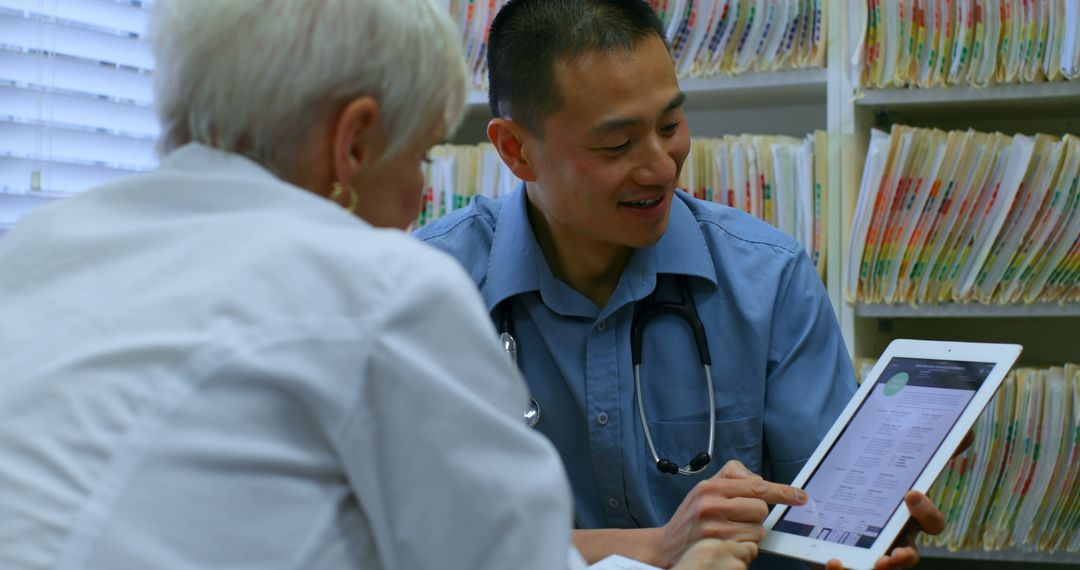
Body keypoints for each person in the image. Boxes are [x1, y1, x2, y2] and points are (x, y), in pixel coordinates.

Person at [0, 1, 757, 569]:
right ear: (354, 142)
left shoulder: (39, 247)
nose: (420, 201)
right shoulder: (382, 289)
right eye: (424, 154)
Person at [415, 1, 945, 568]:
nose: (662, 167)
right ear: (515, 150)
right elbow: (417, 538)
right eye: (617, 145)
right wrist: (660, 546)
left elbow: (817, 519)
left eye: (670, 126)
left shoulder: (768, 278)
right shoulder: (427, 290)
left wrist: (871, 533)